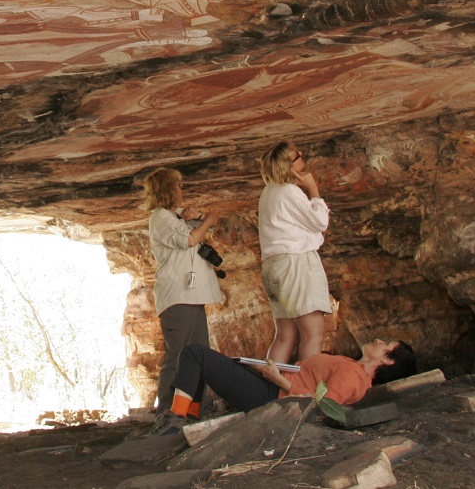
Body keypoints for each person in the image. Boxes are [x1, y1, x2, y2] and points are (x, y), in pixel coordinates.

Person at [156, 339, 416, 433]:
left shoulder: (355, 375)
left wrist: (277, 378)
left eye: (386, 344)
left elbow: (321, 405)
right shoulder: (352, 367)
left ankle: (179, 418)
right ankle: (187, 417)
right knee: (204, 360)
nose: (379, 339)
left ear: (387, 360)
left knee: (195, 354)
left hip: (272, 397)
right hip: (273, 387)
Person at [141, 167, 225, 417]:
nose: (181, 190)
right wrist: (206, 221)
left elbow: (212, 219)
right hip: (177, 295)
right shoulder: (160, 218)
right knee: (177, 355)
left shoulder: (174, 215)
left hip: (192, 294)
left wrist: (199, 215)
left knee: (198, 353)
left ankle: (194, 408)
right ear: (167, 189)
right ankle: (168, 410)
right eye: (178, 185)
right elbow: (188, 239)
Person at [257, 142, 333, 364]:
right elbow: (320, 222)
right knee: (313, 334)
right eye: (298, 156)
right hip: (295, 265)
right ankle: (307, 392)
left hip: (274, 267)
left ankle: (273, 389)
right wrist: (313, 189)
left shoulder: (268, 192)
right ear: (288, 165)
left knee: (285, 336)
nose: (303, 158)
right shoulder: (289, 191)